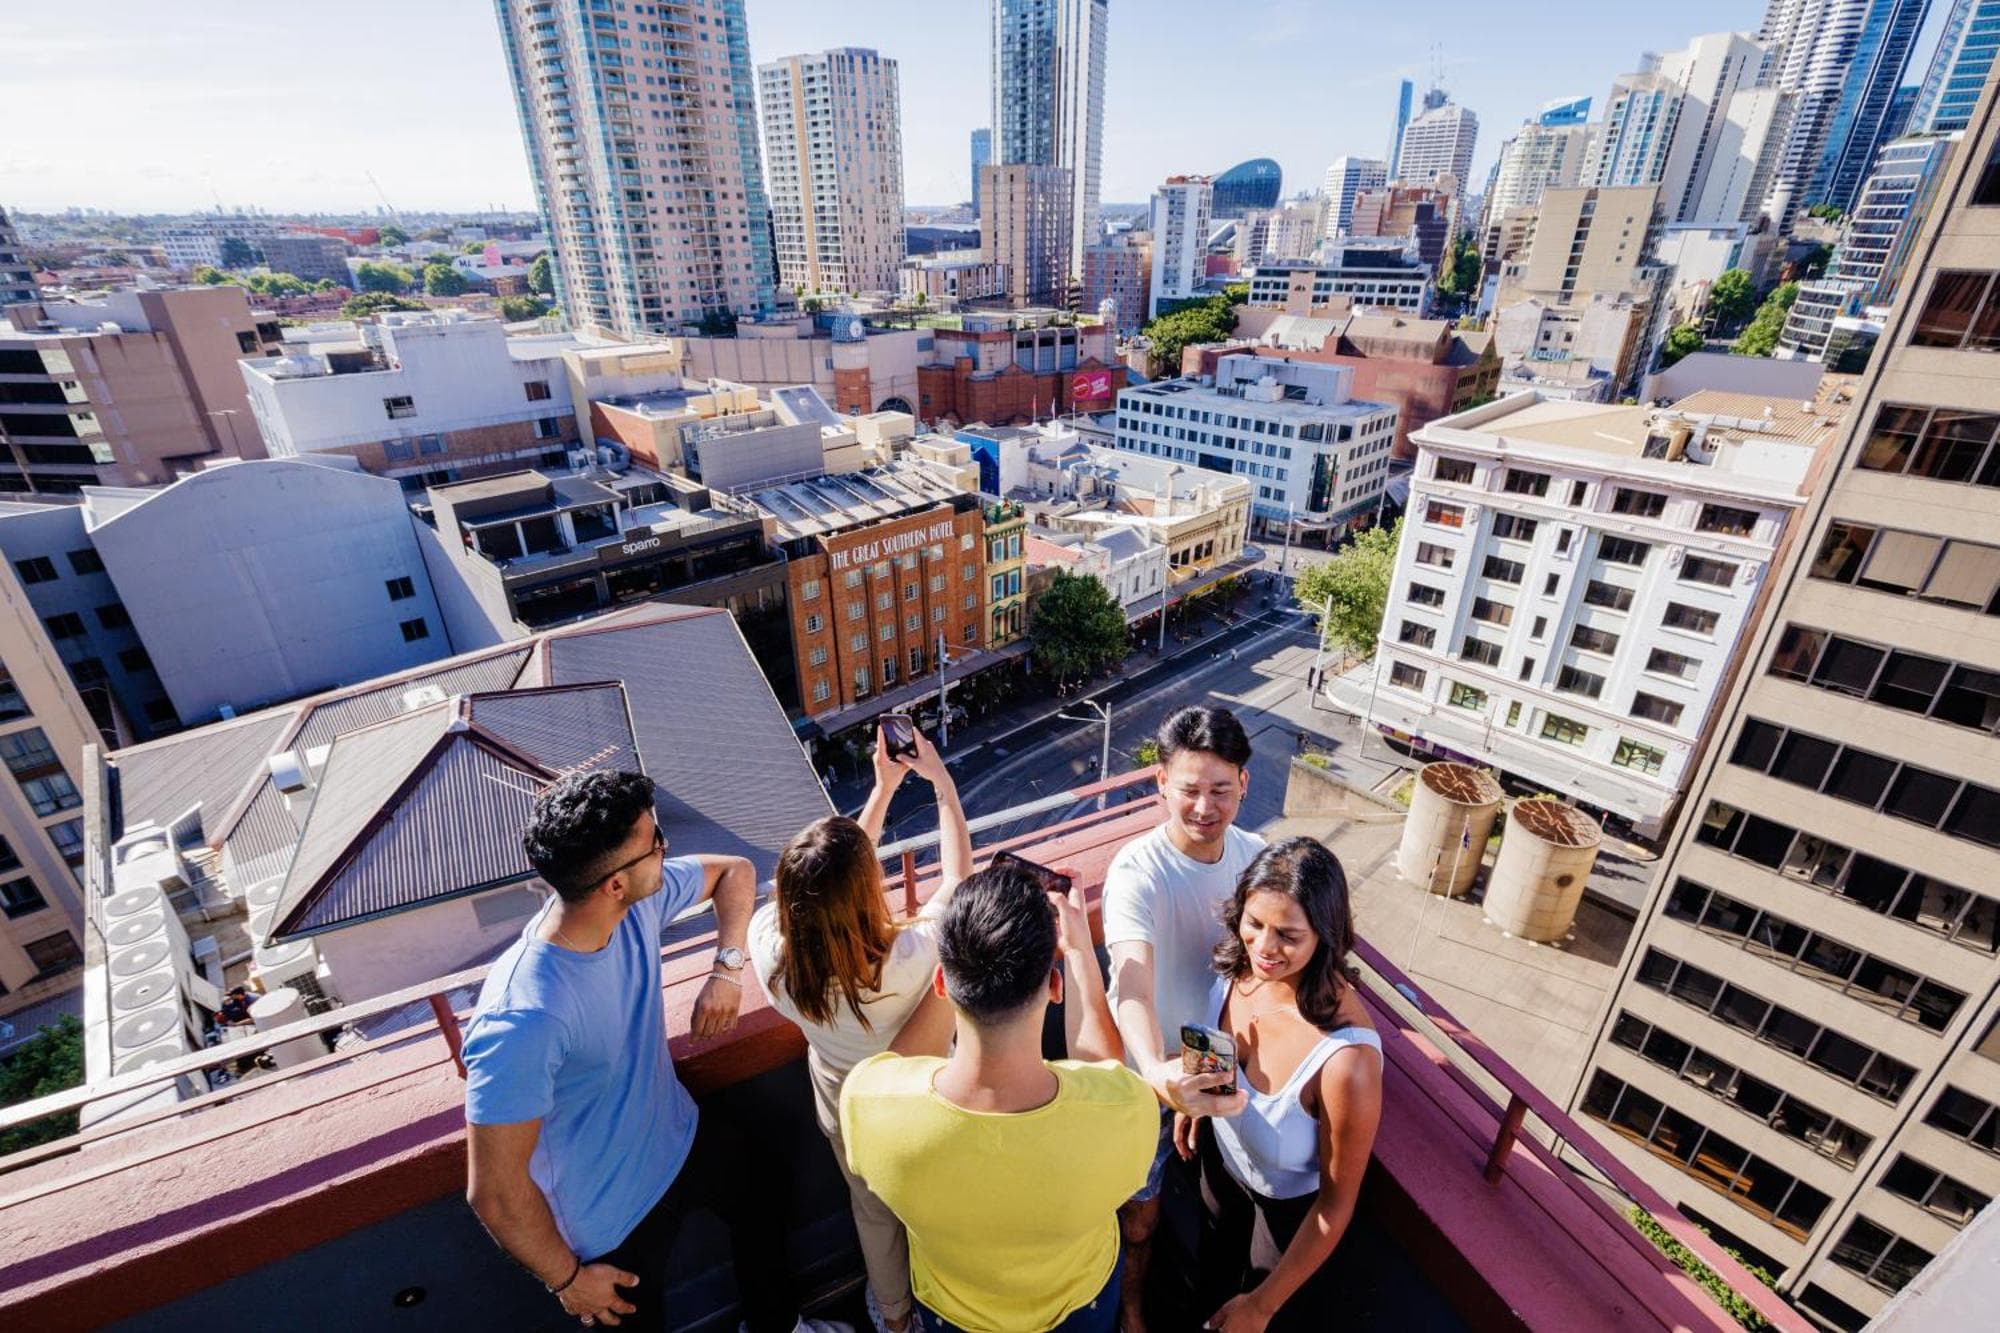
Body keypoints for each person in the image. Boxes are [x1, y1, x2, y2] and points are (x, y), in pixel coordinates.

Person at [461, 770, 847, 1333]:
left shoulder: (634, 904)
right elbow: (494, 1191)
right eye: (656, 842)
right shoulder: (523, 1017)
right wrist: (567, 1280)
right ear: (615, 883)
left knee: (764, 1191)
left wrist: (727, 969)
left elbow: (735, 872)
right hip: (606, 1216)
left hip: (676, 1135)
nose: (666, 848)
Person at [840, 860, 1170, 1333]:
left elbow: (902, 1064)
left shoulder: (869, 1102)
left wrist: (963, 964)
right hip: (1079, 1309)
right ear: (1054, 987)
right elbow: (1105, 1076)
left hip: (954, 1314)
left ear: (941, 983)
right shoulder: (1124, 1109)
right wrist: (1079, 951)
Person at [751, 726, 971, 1333]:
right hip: (922, 1102)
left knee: (872, 1213)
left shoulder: (772, 954)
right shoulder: (910, 956)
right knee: (937, 1207)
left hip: (845, 1106)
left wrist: (881, 790)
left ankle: (895, 1319)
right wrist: (941, 785)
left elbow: (824, 886)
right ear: (868, 888)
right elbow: (959, 882)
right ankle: (951, 1303)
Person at [1174, 838, 1382, 1332]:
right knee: (1208, 1284)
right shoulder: (1237, 966)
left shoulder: (1346, 1061)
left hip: (1290, 1215)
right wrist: (1196, 1099)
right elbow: (1215, 1036)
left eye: (1288, 935)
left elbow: (1334, 1206)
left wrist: (1262, 1306)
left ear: (1326, 936)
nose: (1264, 949)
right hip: (1220, 1162)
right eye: (1254, 923)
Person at [1101, 707, 1264, 1333]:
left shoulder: (1258, 860)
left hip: (1220, 1062)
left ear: (1244, 784)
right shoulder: (1137, 871)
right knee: (1139, 1216)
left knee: (1223, 1199)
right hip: (1152, 1073)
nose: (1204, 807)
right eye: (1189, 789)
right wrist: (1155, 1069)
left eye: (1220, 790)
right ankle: (1132, 1309)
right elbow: (1132, 983)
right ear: (1161, 783)